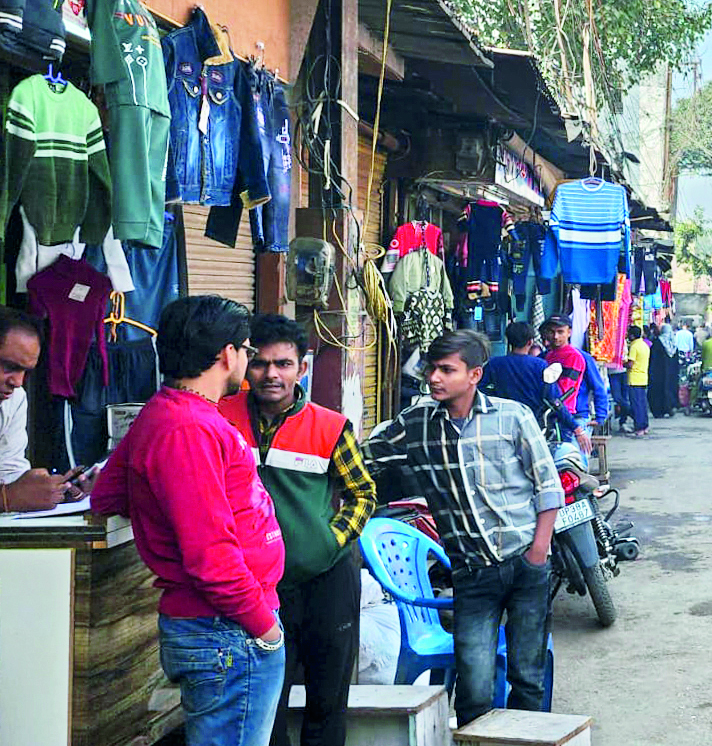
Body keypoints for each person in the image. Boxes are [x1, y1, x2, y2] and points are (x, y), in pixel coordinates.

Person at [92, 296, 285, 746]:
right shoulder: (187, 428)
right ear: (225, 355)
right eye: (247, 350)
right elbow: (210, 556)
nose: (248, 360)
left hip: (220, 625)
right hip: (226, 627)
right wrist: (264, 627)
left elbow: (107, 493)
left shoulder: (170, 414)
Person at [363, 330, 563, 727]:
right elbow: (361, 459)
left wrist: (538, 552)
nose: (434, 377)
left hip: (525, 565)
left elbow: (548, 487)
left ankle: (527, 739)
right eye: (431, 369)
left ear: (474, 375)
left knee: (527, 677)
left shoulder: (513, 417)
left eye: (446, 370)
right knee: (474, 686)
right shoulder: (415, 424)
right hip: (471, 573)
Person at [218, 314, 375, 746]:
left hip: (328, 579)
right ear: (246, 366)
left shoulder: (329, 426)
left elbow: (363, 494)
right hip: (254, 585)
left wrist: (330, 541)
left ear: (301, 368)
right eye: (262, 363)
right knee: (266, 699)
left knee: (327, 698)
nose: (272, 374)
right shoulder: (221, 417)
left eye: (283, 364)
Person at [0, 307, 85, 511]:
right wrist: (7, 498)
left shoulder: (14, 399)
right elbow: (10, 493)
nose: (18, 382)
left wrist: (53, 493)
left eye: (26, 372)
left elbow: (9, 474)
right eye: (9, 367)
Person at [482, 322, 590, 452]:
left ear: (508, 340)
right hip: (532, 427)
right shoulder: (540, 365)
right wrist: (577, 429)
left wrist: (496, 393)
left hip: (502, 425)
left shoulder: (494, 364)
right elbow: (554, 401)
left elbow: (480, 390)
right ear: (530, 342)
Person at [538, 316, 586, 413]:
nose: (555, 336)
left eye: (560, 332)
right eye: (551, 332)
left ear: (569, 332)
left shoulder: (573, 356)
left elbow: (564, 390)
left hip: (562, 412)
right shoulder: (548, 354)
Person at [624, 326, 651, 437]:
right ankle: (644, 426)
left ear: (632, 335)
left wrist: (621, 363)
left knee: (636, 405)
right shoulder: (645, 345)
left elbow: (630, 364)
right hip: (643, 378)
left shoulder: (634, 346)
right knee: (643, 404)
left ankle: (639, 427)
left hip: (634, 379)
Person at [647, 323, 672, 419]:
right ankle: (667, 408)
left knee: (656, 391)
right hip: (668, 373)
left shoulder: (657, 342)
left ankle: (658, 411)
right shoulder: (672, 344)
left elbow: (652, 358)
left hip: (656, 372)